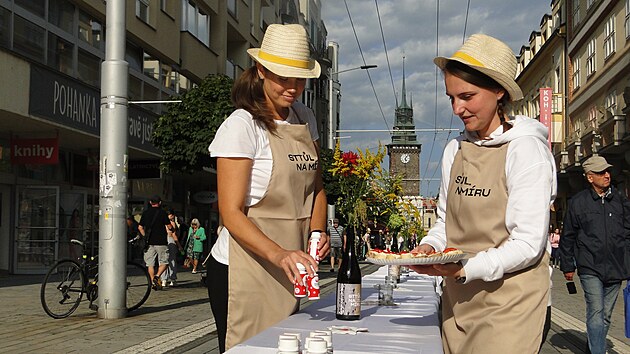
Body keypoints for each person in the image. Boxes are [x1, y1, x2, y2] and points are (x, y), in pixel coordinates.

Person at [409, 34, 557, 353]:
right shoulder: (455, 150)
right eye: (451, 98)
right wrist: (428, 246)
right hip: (460, 299)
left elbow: (528, 243)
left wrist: (465, 268)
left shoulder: (526, 150)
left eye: (467, 96)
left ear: (498, 90)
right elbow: (445, 222)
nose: (457, 109)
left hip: (510, 303)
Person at [206, 24, 330, 352]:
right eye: (284, 78)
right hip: (244, 269)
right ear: (261, 70)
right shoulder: (241, 126)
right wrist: (280, 253)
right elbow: (231, 213)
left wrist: (317, 233)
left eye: (299, 79)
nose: (293, 88)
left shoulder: (304, 117)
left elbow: (316, 187)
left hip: (289, 267)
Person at [559, 155, 629, 354]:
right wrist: (567, 266)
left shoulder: (620, 200)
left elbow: (628, 231)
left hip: (616, 265)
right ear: (590, 177)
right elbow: (568, 235)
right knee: (596, 311)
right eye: (601, 172)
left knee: (606, 315)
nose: (607, 175)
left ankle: (593, 347)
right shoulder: (578, 202)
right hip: (590, 265)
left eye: (607, 171)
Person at [138, 195, 173, 290]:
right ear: (160, 203)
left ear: (150, 202)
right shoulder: (163, 213)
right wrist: (172, 229)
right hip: (161, 241)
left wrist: (145, 236)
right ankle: (157, 277)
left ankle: (153, 281)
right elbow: (169, 226)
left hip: (149, 242)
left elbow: (140, 227)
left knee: (150, 264)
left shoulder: (145, 213)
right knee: (164, 262)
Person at [161, 210, 183, 287]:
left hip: (163, 241)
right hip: (171, 241)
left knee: (163, 261)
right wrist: (179, 246)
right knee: (172, 260)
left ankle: (164, 279)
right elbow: (174, 235)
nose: (172, 216)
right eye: (171, 215)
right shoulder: (171, 223)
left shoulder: (161, 223)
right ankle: (172, 279)